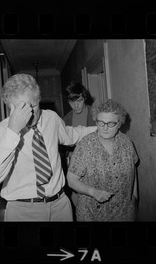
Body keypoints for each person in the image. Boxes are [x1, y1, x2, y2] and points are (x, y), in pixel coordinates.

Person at [0, 74, 96, 221]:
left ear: (39, 100)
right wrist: (13, 131)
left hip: (60, 206)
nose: (29, 115)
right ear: (10, 106)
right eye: (22, 108)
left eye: (33, 106)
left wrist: (101, 129)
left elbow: (72, 134)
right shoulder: (1, 131)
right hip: (22, 211)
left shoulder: (51, 118)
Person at [67, 99, 139, 221]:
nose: (105, 128)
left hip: (123, 213)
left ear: (120, 123)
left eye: (111, 124)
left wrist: (134, 197)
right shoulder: (85, 145)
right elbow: (71, 180)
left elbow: (133, 171)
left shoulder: (127, 143)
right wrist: (93, 192)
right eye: (100, 122)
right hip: (93, 215)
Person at [61, 82, 96, 218]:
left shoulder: (95, 113)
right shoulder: (66, 119)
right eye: (72, 101)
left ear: (84, 98)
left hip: (92, 162)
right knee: (76, 197)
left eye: (79, 100)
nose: (76, 106)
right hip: (73, 163)